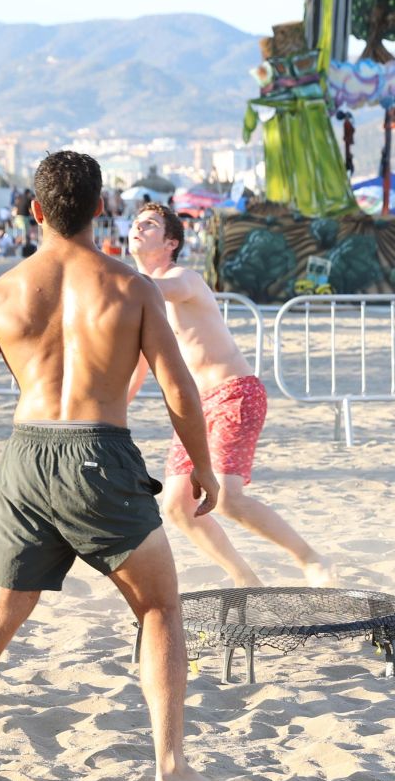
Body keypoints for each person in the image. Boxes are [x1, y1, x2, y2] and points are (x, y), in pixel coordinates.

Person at [0, 150, 227, 781]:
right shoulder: (131, 288)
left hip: (27, 459)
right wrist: (202, 465)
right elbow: (180, 391)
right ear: (100, 209)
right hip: (99, 453)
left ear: (34, 211)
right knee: (161, 607)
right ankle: (170, 767)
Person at [128, 202, 334, 590]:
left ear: (171, 241)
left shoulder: (181, 278)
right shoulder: (141, 303)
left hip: (234, 392)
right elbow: (138, 370)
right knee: (177, 506)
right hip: (193, 407)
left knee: (227, 498)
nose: (138, 228)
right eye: (136, 223)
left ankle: (311, 558)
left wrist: (101, 276)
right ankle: (246, 580)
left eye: (149, 224)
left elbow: (154, 287)